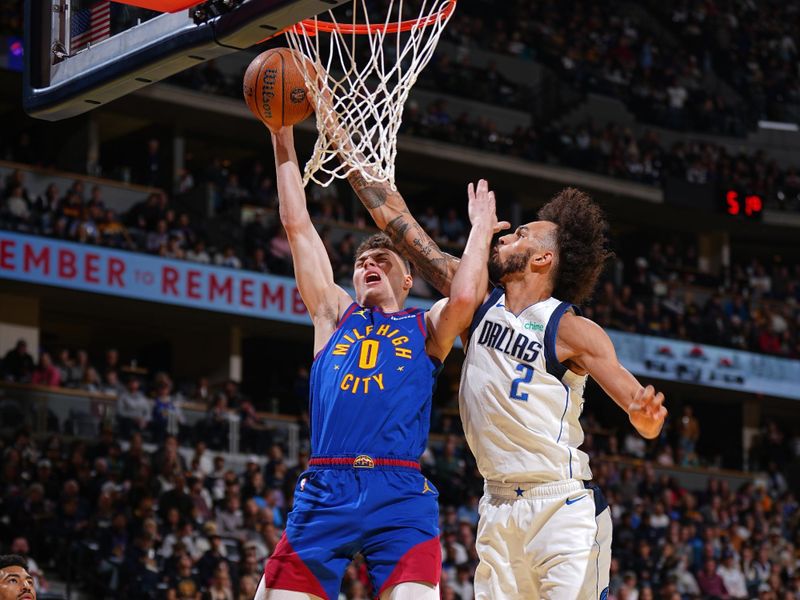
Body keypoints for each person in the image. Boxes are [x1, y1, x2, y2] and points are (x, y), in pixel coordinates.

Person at [346, 174, 668, 599]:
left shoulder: (571, 329)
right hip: (497, 506)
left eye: (520, 235)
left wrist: (646, 417)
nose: (504, 237)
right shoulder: (478, 300)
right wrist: (351, 159)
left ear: (542, 259)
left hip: (562, 505)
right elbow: (403, 229)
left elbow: (638, 412)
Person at [255, 126, 499, 600]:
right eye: (362, 260)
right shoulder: (332, 314)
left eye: (382, 259)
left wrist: (480, 234)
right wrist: (282, 134)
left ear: (408, 278)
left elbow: (466, 295)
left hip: (400, 490)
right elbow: (297, 225)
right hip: (327, 484)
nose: (369, 263)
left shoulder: (424, 325)